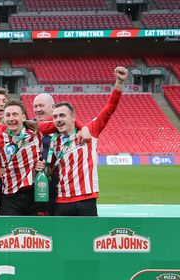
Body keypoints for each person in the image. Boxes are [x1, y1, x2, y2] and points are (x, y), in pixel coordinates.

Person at [46, 67, 127, 216]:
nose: (58, 120)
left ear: (73, 117)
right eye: (55, 117)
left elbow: (109, 109)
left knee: (88, 239)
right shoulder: (54, 142)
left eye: (62, 115)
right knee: (63, 239)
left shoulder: (90, 131)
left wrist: (119, 83)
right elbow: (51, 169)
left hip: (86, 199)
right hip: (62, 200)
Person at [0, 100, 44, 216]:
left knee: (37, 232)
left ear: (23, 117)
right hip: (11, 196)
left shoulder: (36, 130)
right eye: (8, 115)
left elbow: (67, 123)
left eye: (15, 114)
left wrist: (84, 128)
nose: (11, 118)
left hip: (36, 193)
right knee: (8, 233)